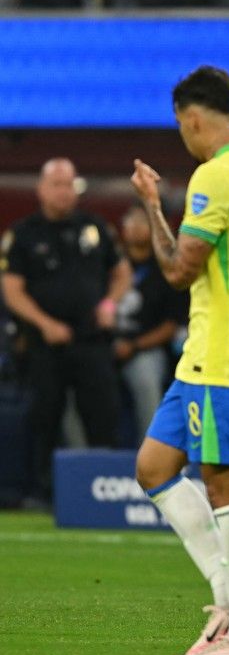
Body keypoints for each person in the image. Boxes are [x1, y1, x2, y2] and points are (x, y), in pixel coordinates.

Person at [128, 65, 229, 655]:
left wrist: (152, 208)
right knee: (154, 467)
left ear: (193, 118)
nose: (183, 136)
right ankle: (227, 591)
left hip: (226, 355)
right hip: (210, 354)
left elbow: (178, 269)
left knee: (226, 489)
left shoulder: (214, 175)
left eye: (180, 125)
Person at [0, 157, 130, 508]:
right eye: (56, 184)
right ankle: (44, 493)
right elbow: (12, 290)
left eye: (69, 184)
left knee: (104, 414)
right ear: (41, 189)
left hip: (93, 340)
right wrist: (45, 324)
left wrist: (109, 304)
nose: (63, 191)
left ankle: (108, 490)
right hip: (45, 344)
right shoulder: (23, 234)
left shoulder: (96, 227)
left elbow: (122, 273)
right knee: (45, 417)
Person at [113, 203, 186, 442]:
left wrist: (134, 346)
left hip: (146, 348)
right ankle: (94, 453)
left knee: (145, 378)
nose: (135, 227)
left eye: (142, 221)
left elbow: (171, 325)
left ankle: (151, 447)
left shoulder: (167, 269)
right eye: (130, 220)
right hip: (107, 345)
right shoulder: (110, 262)